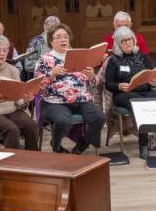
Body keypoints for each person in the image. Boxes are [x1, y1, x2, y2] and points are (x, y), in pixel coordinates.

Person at [34, 24, 106, 154]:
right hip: (54, 102)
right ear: (51, 41)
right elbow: (37, 88)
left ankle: (83, 144)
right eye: (58, 37)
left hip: (81, 100)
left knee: (99, 117)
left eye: (66, 37)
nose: (63, 40)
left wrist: (91, 76)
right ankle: (56, 146)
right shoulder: (44, 60)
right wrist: (51, 74)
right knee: (63, 120)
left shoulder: (80, 56)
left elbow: (96, 83)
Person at [104, 26, 156, 159]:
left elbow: (151, 74)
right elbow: (108, 84)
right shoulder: (113, 60)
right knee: (139, 104)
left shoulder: (142, 56)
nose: (128, 43)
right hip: (124, 94)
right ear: (118, 44)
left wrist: (153, 82)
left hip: (145, 90)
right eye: (124, 41)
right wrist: (119, 86)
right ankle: (143, 144)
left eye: (130, 39)